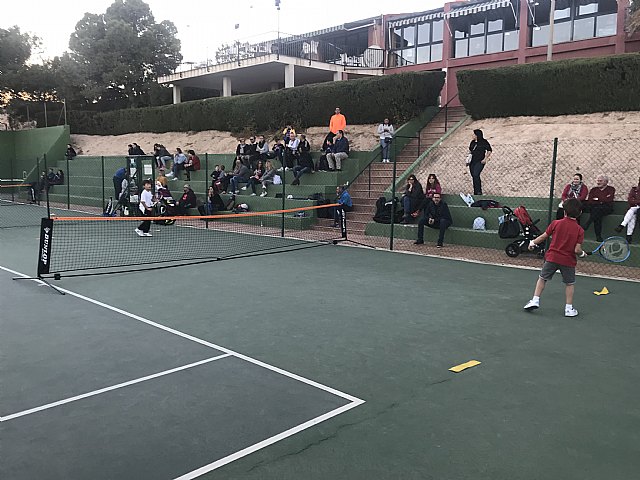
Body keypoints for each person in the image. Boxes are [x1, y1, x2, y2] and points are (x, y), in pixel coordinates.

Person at [523, 198, 588, 317]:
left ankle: (535, 300)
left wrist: (532, 243)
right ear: (580, 213)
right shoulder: (580, 230)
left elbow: (543, 237)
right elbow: (577, 250)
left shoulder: (556, 223)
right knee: (569, 284)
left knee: (542, 278)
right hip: (568, 261)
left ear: (564, 211)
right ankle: (568, 309)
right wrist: (583, 254)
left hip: (552, 258)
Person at [583, 174, 615, 242]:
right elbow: (590, 201)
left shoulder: (611, 189)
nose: (598, 182)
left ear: (606, 182)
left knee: (596, 211)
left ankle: (588, 223)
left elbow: (609, 200)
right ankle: (598, 237)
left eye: (600, 181)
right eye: (598, 181)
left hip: (606, 208)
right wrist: (601, 200)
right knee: (597, 215)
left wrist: (597, 199)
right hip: (595, 208)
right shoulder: (593, 190)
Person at [614, 176, 640, 243]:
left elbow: (633, 201)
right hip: (635, 207)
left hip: (636, 207)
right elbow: (630, 200)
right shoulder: (634, 190)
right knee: (632, 214)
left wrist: (636, 201)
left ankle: (622, 226)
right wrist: (637, 202)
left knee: (632, 210)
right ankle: (628, 236)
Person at [468, 129, 492, 196]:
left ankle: (479, 191)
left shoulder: (484, 142)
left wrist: (485, 158)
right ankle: (475, 191)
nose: (473, 135)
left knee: (476, 174)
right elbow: (470, 150)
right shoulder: (472, 142)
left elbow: (489, 150)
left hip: (480, 161)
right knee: (474, 176)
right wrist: (468, 159)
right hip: (472, 161)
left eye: (474, 134)